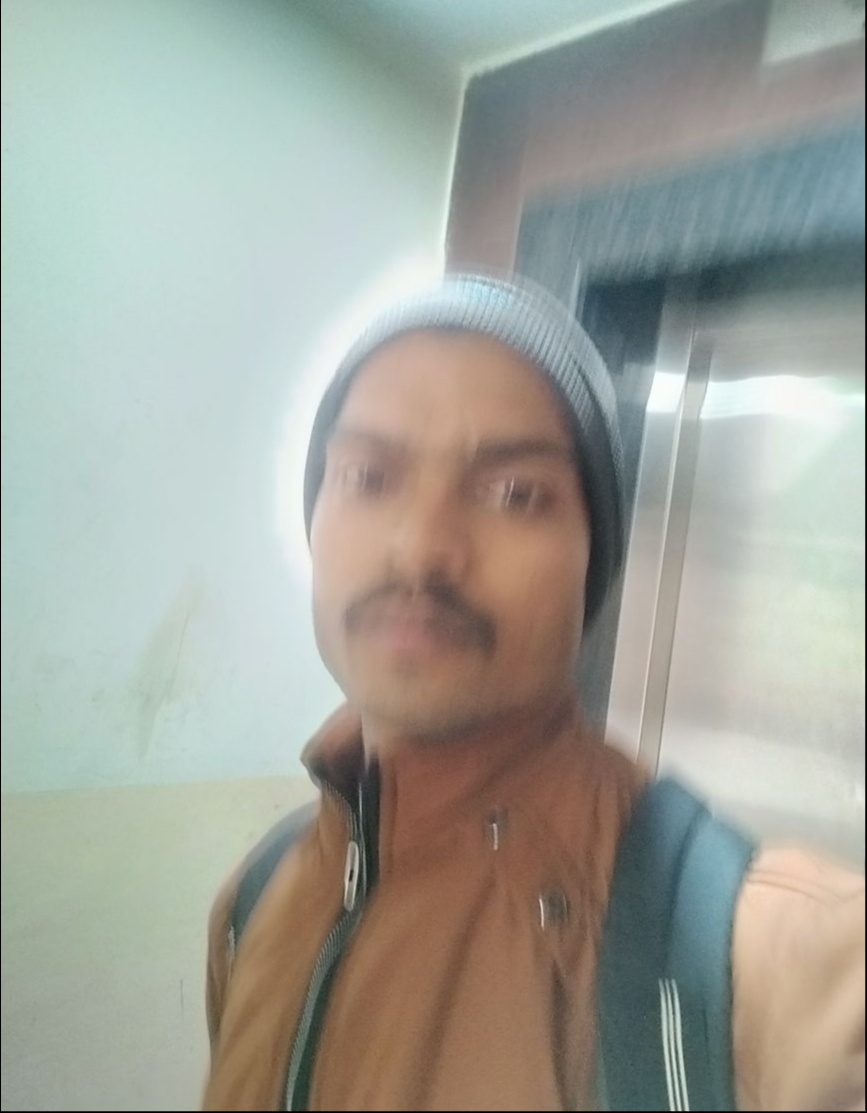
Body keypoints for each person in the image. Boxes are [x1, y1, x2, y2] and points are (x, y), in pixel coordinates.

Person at [202, 273, 865, 1112]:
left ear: (593, 561)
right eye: (367, 477)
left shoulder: (742, 953)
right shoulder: (255, 899)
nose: (420, 549)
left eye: (515, 493)